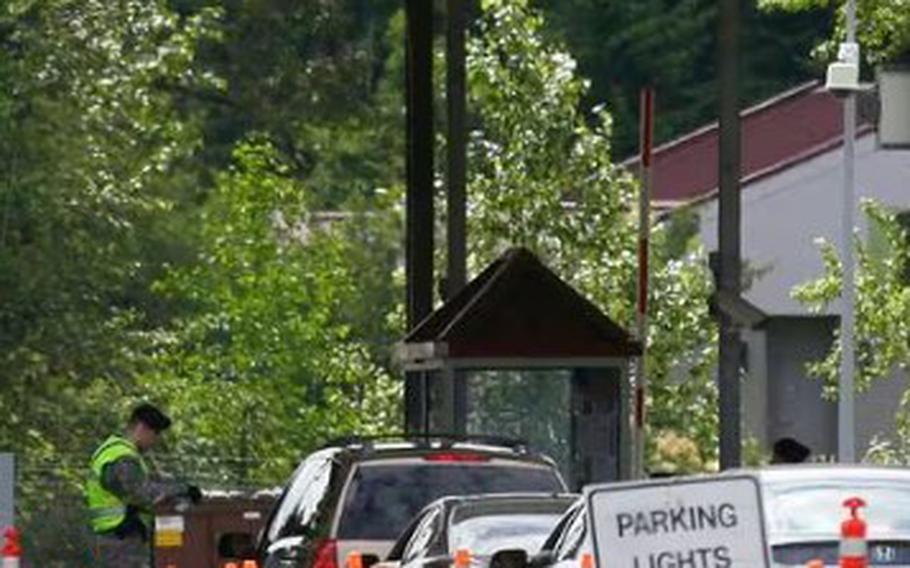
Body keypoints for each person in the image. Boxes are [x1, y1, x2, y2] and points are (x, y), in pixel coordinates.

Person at [85, 403, 202, 567]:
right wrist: (182, 490)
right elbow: (142, 494)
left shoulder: (112, 451)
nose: (155, 441)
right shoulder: (122, 457)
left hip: (113, 538)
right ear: (142, 428)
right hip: (119, 540)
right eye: (155, 434)